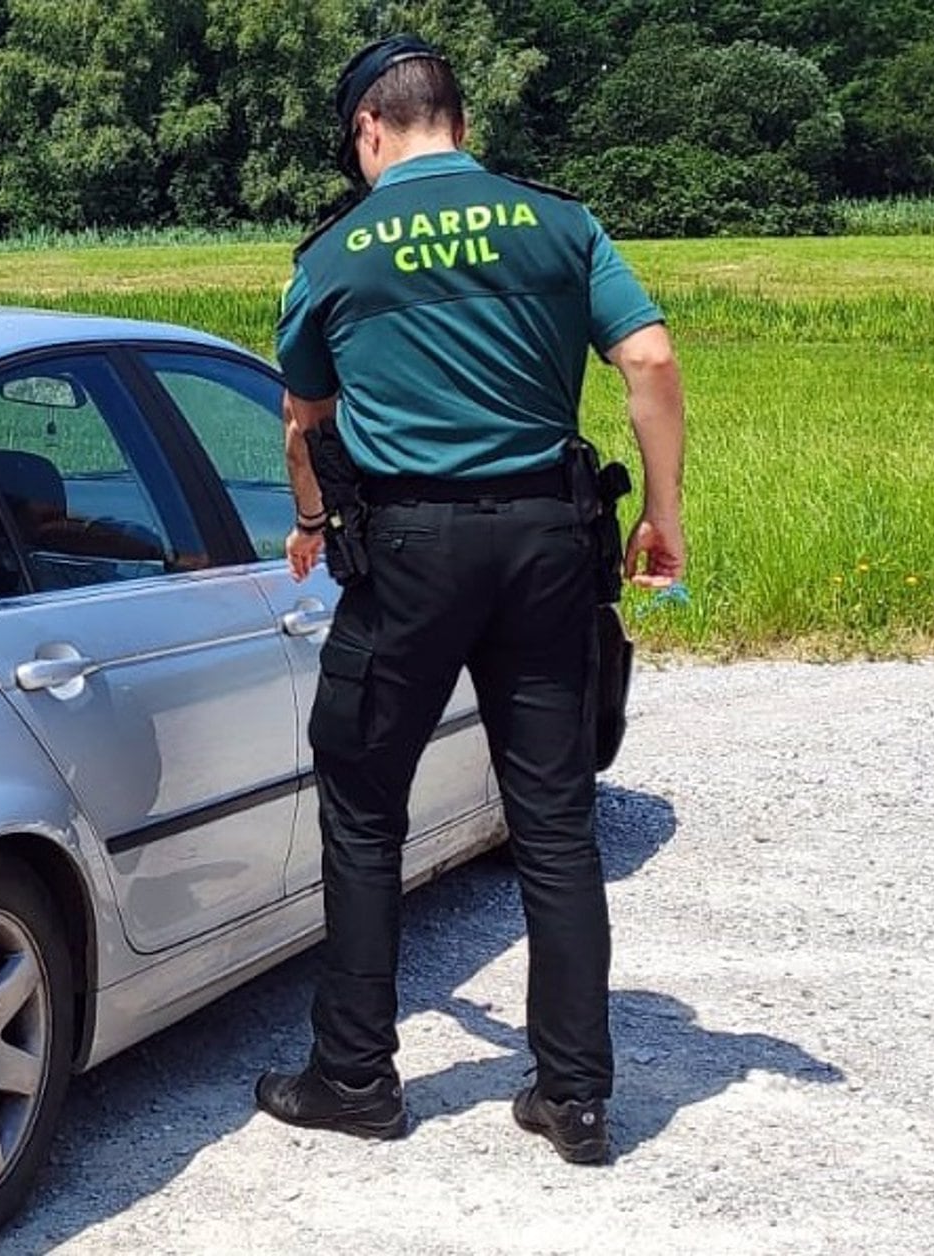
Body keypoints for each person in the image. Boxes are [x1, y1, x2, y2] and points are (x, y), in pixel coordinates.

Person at [253, 34, 686, 1164]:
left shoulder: (338, 255)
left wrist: (309, 521)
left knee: (363, 808)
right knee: (554, 820)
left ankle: (354, 1078)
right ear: (458, 118)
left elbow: (305, 419)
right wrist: (664, 518)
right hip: (549, 542)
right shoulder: (558, 222)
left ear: (370, 132)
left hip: (408, 554)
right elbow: (648, 360)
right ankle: (577, 1096)